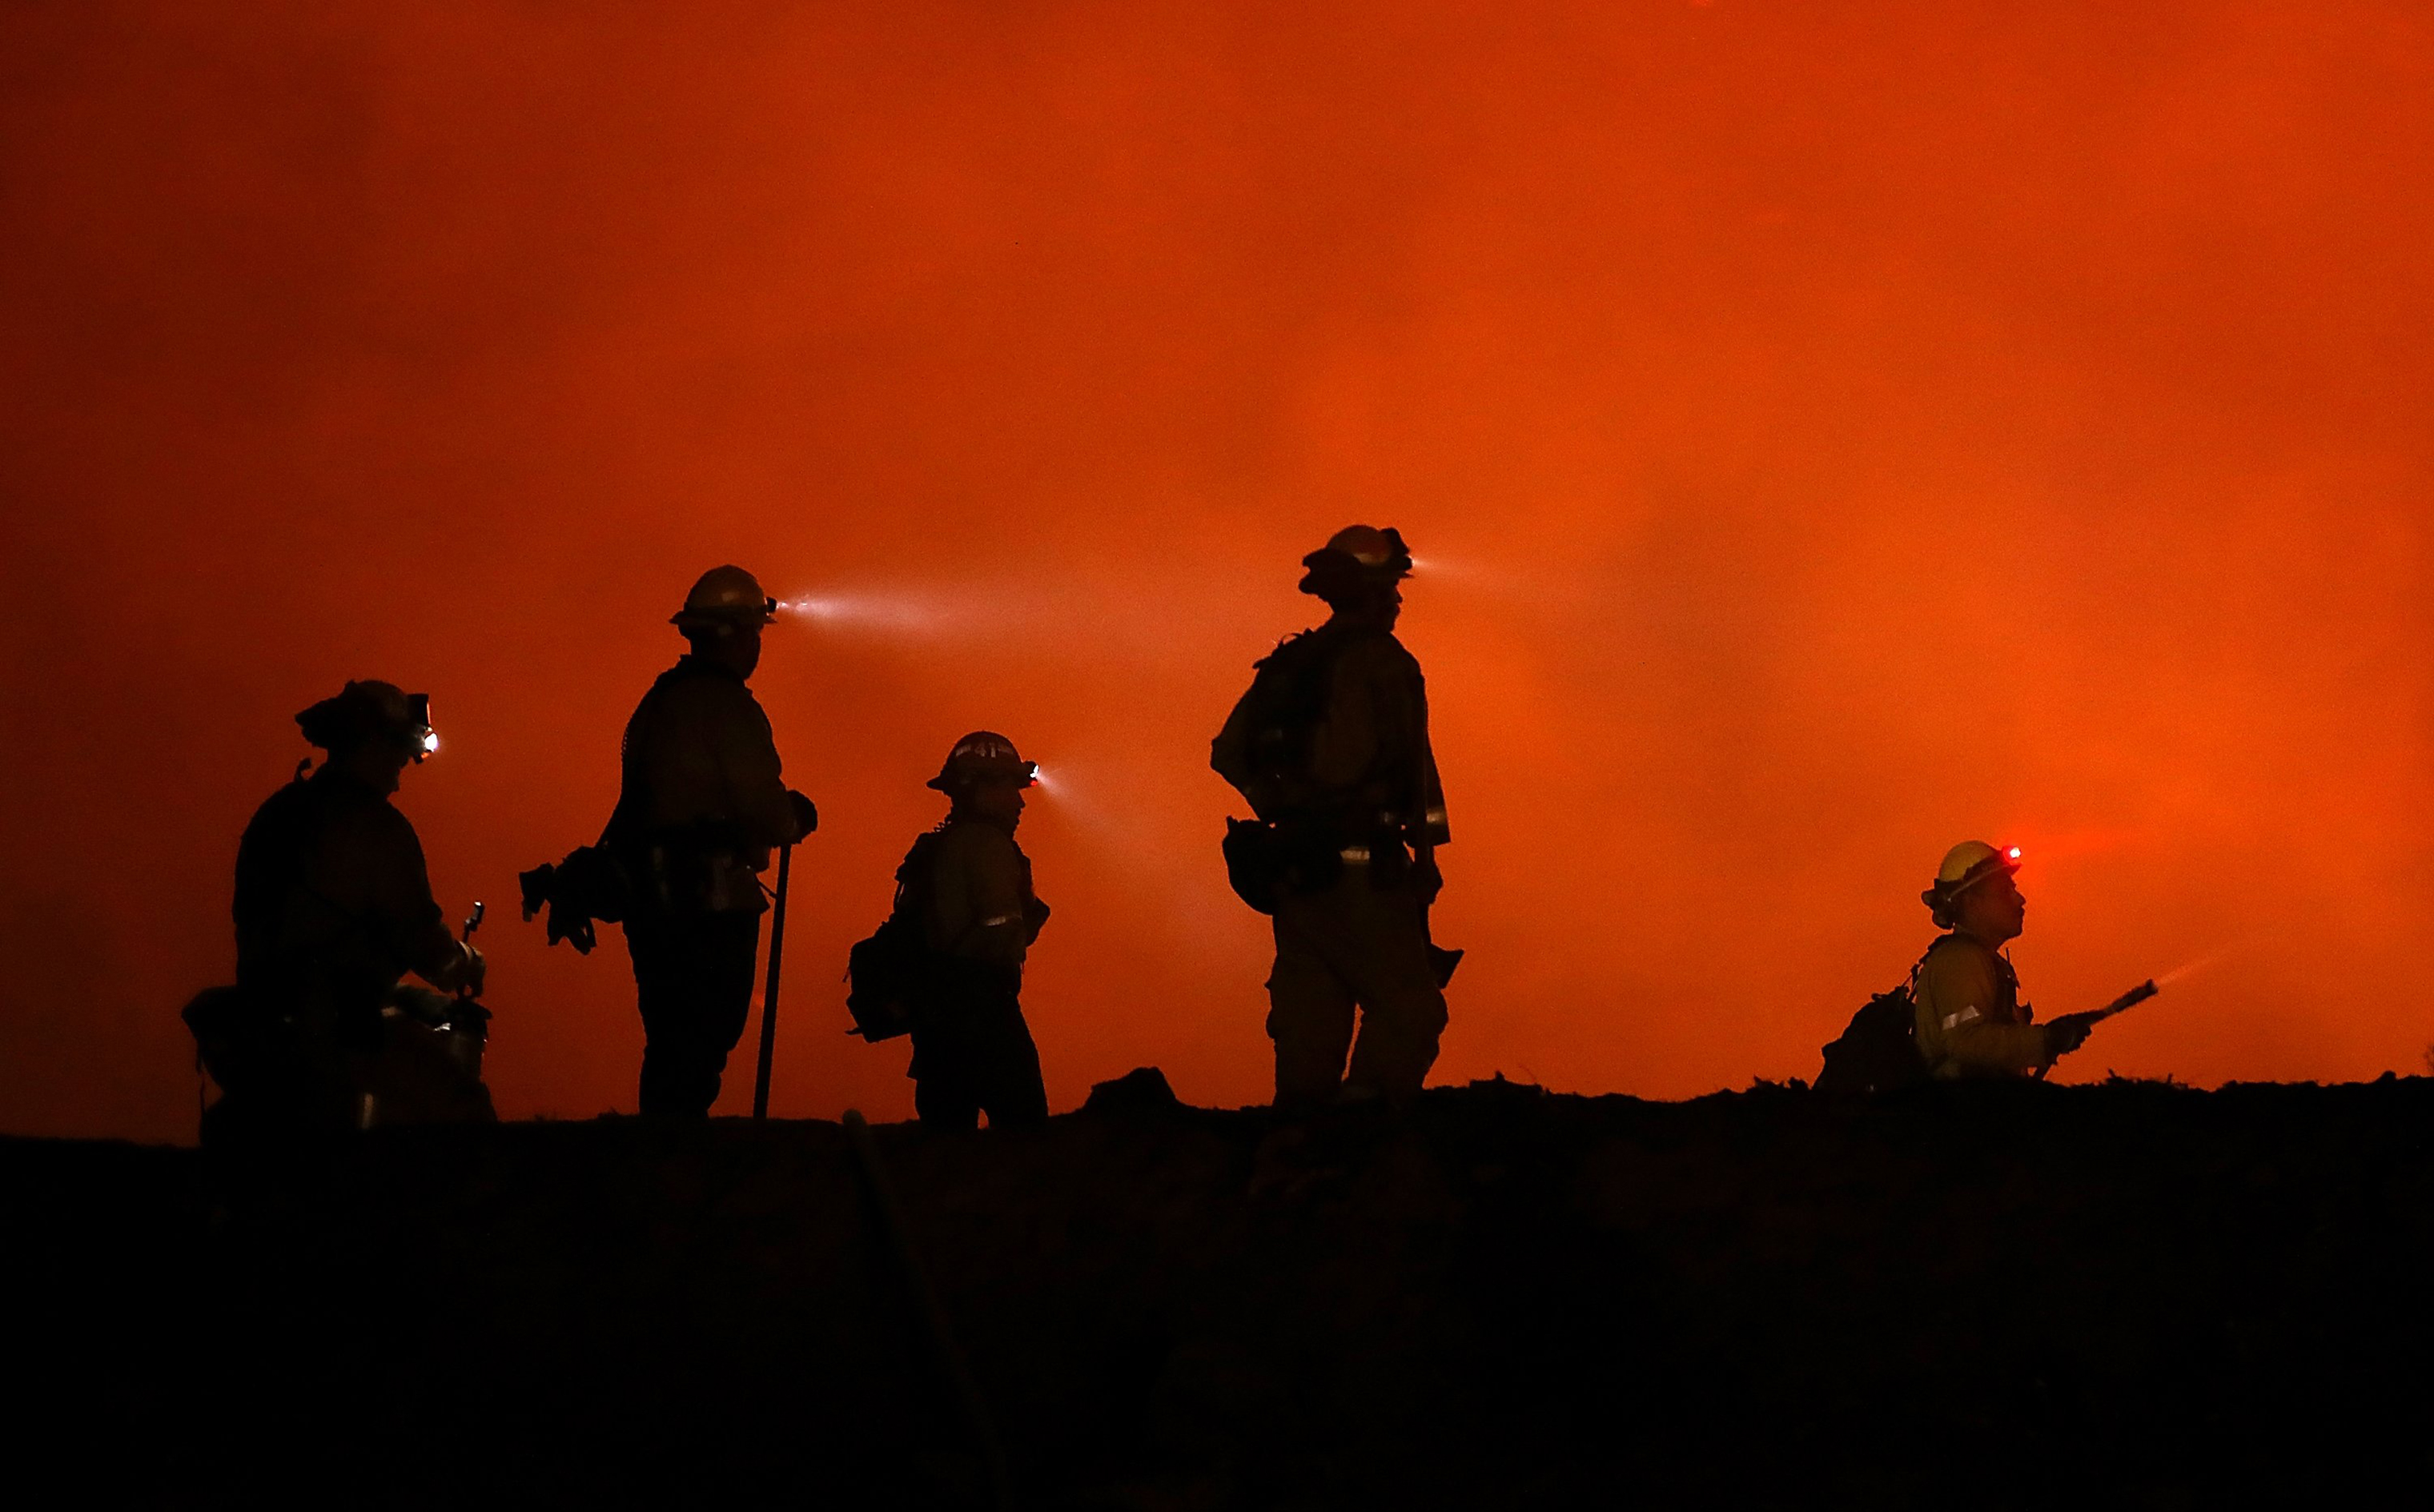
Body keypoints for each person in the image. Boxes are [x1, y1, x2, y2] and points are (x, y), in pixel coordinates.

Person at [1212, 525, 1453, 1112]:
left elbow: (1228, 752)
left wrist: (1279, 810)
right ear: (1370, 591)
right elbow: (1413, 766)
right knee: (1410, 1005)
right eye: (1392, 588)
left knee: (1310, 1004)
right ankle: (1363, 1125)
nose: (1397, 601)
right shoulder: (1384, 661)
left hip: (1296, 867)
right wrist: (1426, 857)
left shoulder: (1289, 663)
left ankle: (1300, 1130)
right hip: (1362, 867)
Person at [210, 680, 484, 1137]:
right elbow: (427, 947)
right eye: (400, 749)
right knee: (460, 1104)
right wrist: (467, 962)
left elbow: (315, 942)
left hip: (263, 1019)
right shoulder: (375, 827)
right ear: (373, 745)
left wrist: (405, 998)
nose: (404, 766)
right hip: (331, 1036)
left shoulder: (279, 811)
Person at [604, 566, 817, 1117]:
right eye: (755, 632)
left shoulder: (659, 704)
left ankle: (661, 1152)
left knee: (670, 1036)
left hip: (652, 900)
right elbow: (760, 805)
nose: (757, 645)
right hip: (710, 900)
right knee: (705, 1032)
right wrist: (792, 816)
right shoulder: (729, 708)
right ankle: (679, 1159)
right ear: (737, 634)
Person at [899, 732, 1051, 1130]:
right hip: (982, 1011)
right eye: (1009, 788)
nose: (1020, 802)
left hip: (935, 1017)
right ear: (978, 788)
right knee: (1025, 1132)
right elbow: (1000, 935)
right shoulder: (987, 846)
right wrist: (1028, 921)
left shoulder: (942, 846)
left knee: (945, 1143)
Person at [1911, 841, 2094, 1078]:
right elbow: (1964, 1040)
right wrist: (2043, 1040)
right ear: (1971, 902)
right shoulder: (1960, 963)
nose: (2020, 900)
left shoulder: (1977, 961)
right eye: (2004, 891)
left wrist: (2050, 1039)